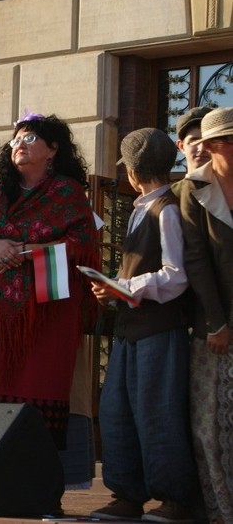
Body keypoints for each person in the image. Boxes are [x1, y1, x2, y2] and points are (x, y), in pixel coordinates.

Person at [0, 113, 99, 450]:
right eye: (16, 139)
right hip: (3, 318)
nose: (19, 144)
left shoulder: (68, 193)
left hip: (48, 315)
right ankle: (0, 487)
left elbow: (84, 247)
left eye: (30, 138)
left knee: (42, 394)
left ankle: (41, 488)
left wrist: (29, 250)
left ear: (52, 150)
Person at [89, 128, 198, 522]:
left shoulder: (165, 209)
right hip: (130, 329)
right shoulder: (141, 207)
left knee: (159, 413)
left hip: (159, 329)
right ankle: (128, 496)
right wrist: (114, 290)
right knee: (117, 411)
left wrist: (122, 286)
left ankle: (177, 500)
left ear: (133, 171)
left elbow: (176, 277)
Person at [177, 107, 233, 524]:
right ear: (215, 147)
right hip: (214, 326)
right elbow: (195, 261)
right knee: (210, 426)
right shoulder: (191, 189)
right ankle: (221, 511)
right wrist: (216, 322)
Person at [175, 106, 213, 174]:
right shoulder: (176, 185)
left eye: (209, 140)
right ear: (181, 146)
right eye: (194, 141)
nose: (201, 148)